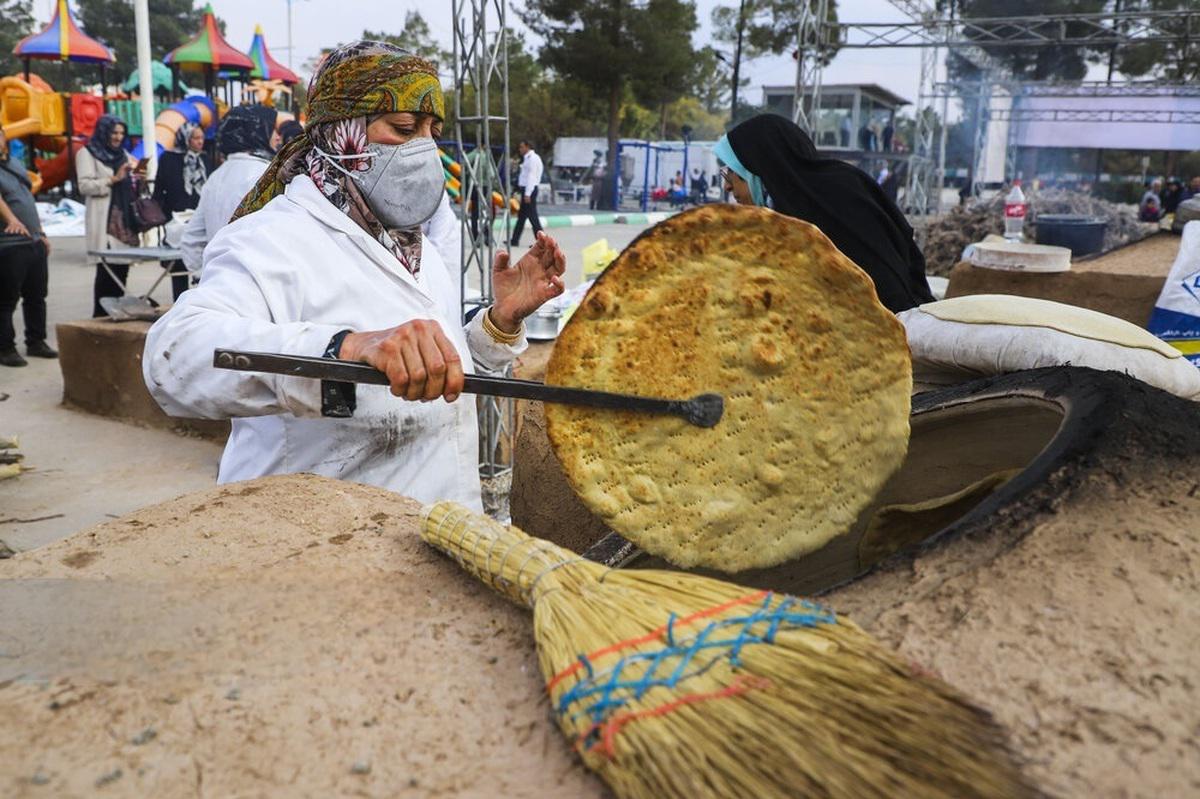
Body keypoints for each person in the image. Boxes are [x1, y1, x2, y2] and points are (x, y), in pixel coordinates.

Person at [143, 41, 566, 510]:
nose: (423, 147)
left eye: (431, 130)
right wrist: (342, 348)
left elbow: (439, 368)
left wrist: (497, 325)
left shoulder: (413, 245)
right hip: (320, 543)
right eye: (403, 128)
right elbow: (172, 357)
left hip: (432, 528)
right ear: (340, 131)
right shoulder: (271, 239)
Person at [714, 113, 933, 313]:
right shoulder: (780, 213)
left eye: (730, 174)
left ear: (757, 167)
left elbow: (881, 285)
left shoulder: (836, 194)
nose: (727, 187)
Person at [179, 105, 278, 278]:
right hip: (257, 283)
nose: (278, 137)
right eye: (272, 130)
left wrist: (204, 275)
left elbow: (191, 238)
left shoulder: (216, 176)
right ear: (256, 133)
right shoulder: (266, 176)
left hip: (221, 283)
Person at [76, 115, 144, 317]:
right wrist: (113, 178)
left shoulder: (123, 153)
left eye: (121, 133)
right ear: (104, 131)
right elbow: (84, 186)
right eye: (114, 132)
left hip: (123, 222)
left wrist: (138, 177)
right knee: (106, 273)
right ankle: (100, 319)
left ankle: (115, 316)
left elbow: (131, 185)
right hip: (105, 221)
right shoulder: (87, 153)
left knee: (122, 271)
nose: (118, 137)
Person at [0, 129, 56, 366]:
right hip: (9, 244)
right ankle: (5, 348)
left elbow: (28, 200)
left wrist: (40, 232)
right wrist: (11, 220)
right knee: (5, 299)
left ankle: (36, 341)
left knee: (37, 295)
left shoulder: (14, 163)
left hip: (33, 242)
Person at [152, 123, 212, 299]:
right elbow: (159, 189)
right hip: (176, 220)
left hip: (199, 218)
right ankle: (179, 302)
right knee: (178, 266)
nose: (200, 142)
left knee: (203, 265)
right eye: (195, 138)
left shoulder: (205, 160)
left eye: (202, 138)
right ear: (185, 139)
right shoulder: (169, 159)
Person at [510, 139, 543, 247]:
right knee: (522, 217)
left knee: (533, 216)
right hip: (527, 189)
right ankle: (514, 240)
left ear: (527, 147)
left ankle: (542, 242)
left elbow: (531, 177)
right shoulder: (528, 158)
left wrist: (527, 193)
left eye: (521, 147)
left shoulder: (532, 159)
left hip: (530, 190)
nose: (520, 149)